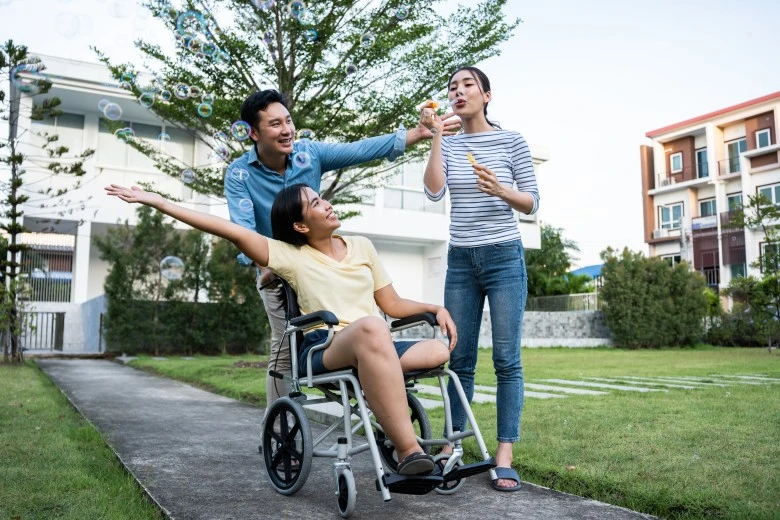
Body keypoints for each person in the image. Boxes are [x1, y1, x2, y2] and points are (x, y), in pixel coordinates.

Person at [105, 182, 458, 476]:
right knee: (371, 328)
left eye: (322, 198)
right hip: (326, 346)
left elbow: (392, 305)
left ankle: (375, 380)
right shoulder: (289, 255)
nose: (328, 204)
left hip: (374, 341)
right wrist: (160, 202)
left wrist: (434, 307)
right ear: (301, 226)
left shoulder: (362, 246)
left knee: (437, 350)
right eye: (317, 203)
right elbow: (228, 230)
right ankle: (407, 450)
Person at [224, 89, 461, 421]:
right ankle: (277, 423)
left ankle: (373, 385)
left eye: (288, 121)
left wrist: (418, 134)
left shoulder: (309, 153)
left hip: (324, 261)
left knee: (358, 328)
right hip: (277, 269)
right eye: (275, 124)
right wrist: (263, 265)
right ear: (254, 132)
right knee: (284, 348)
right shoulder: (239, 175)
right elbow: (243, 228)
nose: (286, 130)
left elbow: (360, 150)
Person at [421, 66, 539, 491]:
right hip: (461, 261)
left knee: (507, 360)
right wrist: (436, 135)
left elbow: (532, 203)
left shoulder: (512, 141)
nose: (458, 91)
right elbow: (434, 191)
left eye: (467, 84)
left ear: (487, 95)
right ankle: (452, 445)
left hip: (504, 258)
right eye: (452, 86)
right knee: (460, 358)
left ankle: (504, 452)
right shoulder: (449, 144)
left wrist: (502, 191)